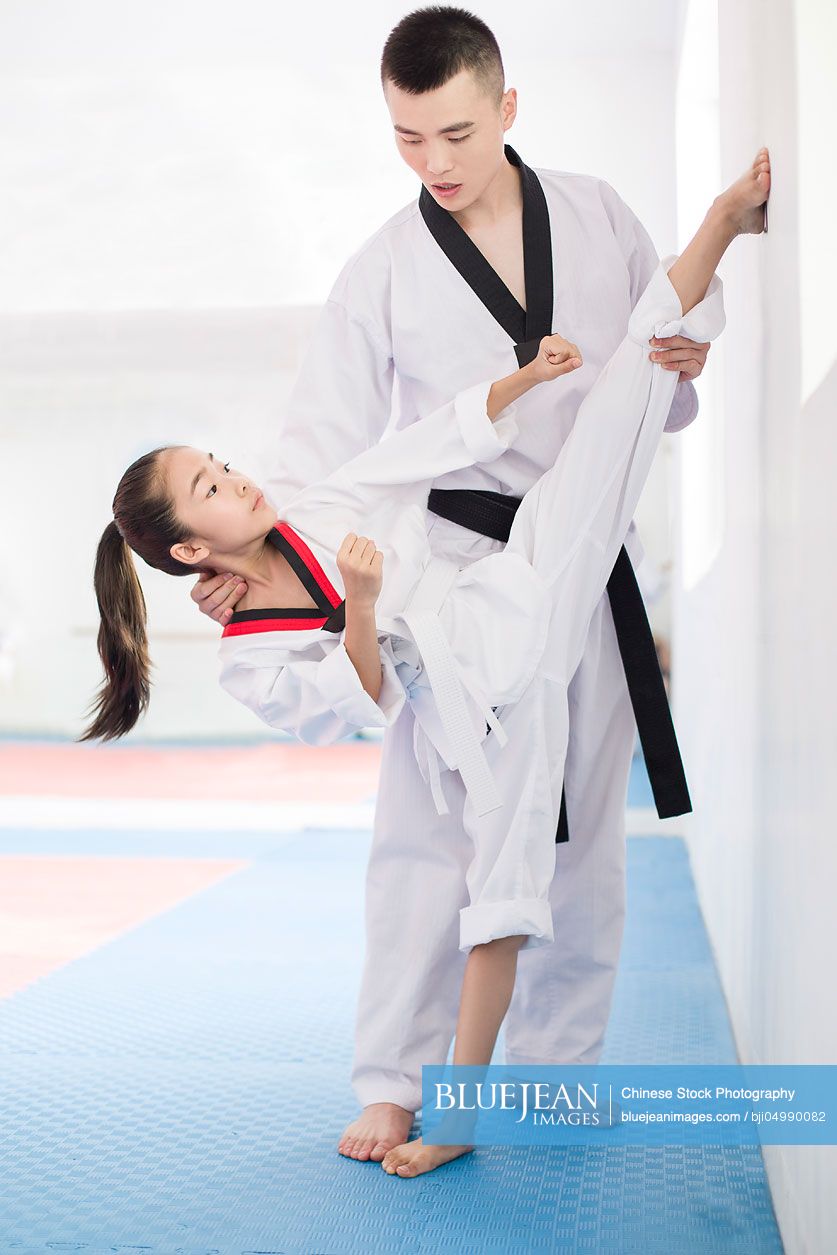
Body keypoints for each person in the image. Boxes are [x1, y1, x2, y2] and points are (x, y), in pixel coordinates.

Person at [84, 143, 768, 1176]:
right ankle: (423, 1100)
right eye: (214, 489)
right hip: (464, 720)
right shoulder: (248, 650)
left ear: (501, 113)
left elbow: (425, 444)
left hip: (509, 604)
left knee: (622, 408)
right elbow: (360, 703)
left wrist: (528, 376)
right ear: (191, 550)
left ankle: (725, 225)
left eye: (223, 464)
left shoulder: (316, 508)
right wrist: (357, 603)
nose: (239, 479)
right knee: (457, 898)